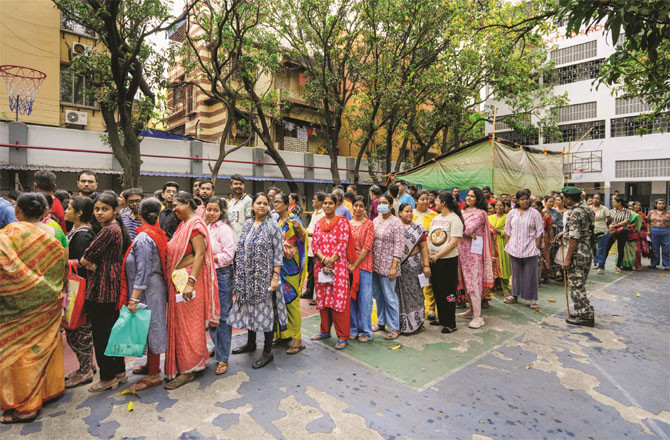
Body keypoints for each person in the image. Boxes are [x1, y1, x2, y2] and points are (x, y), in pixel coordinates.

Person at [0, 193, 67, 423]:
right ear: (44, 211)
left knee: (19, 353)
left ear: (17, 211)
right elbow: (63, 267)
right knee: (43, 347)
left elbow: (5, 268)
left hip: (16, 306)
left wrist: (24, 287)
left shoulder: (8, 235)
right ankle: (48, 391)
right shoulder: (56, 232)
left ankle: (26, 406)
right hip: (49, 302)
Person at [163, 191, 218, 387]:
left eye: (176, 204)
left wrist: (190, 282)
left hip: (189, 284)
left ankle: (190, 369)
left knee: (190, 326)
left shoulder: (195, 225)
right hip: (180, 281)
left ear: (187, 204)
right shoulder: (183, 225)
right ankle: (190, 361)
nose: (173, 209)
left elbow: (200, 254)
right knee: (181, 324)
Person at [79, 192, 131, 392]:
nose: (100, 213)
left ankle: (107, 377)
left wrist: (88, 263)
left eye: (105, 209)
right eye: (97, 209)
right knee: (113, 332)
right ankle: (119, 371)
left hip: (102, 288)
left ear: (115, 210)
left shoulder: (109, 230)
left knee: (101, 336)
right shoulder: (116, 228)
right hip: (112, 286)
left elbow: (86, 257)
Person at [229, 192, 285, 368]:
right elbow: (241, 248)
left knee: (266, 312)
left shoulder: (272, 226)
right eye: (258, 203)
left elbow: (278, 253)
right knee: (249, 309)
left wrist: (275, 278)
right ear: (252, 206)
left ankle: (267, 352)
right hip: (246, 277)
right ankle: (251, 343)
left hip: (264, 278)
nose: (261, 206)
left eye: (264, 203)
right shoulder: (247, 224)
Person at [121, 198, 170, 391]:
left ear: (140, 214)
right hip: (152, 286)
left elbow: (143, 270)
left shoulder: (143, 238)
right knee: (149, 325)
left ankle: (154, 374)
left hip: (148, 288)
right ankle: (151, 364)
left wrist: (133, 298)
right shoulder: (156, 233)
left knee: (153, 327)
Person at [63, 196, 97, 388]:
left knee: (79, 331)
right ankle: (87, 366)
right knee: (78, 330)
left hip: (79, 290)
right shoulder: (76, 230)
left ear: (79, 213)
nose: (66, 211)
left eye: (69, 208)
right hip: (76, 289)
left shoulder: (83, 235)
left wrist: (62, 263)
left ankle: (84, 371)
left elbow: (85, 265)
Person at [311, 193, 353, 348]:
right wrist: (323, 260)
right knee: (323, 299)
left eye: (330, 203)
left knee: (338, 301)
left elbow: (343, 243)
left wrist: (331, 261)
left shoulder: (342, 222)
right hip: (321, 267)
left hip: (338, 267)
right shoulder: (318, 223)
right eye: (325, 203)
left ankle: (342, 336)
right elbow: (315, 244)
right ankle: (324, 330)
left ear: (336, 205)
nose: (327, 206)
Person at [204, 197, 236, 375]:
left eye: (215, 210)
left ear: (221, 211)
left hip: (222, 275)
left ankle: (223, 358)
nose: (211, 213)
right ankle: (217, 347)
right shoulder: (207, 227)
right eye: (209, 209)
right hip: (209, 274)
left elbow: (228, 256)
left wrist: (208, 256)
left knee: (223, 316)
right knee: (212, 315)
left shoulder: (224, 230)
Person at [273, 193, 308, 355]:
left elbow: (302, 239)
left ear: (287, 204)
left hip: (290, 267)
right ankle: (283, 334)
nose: (275, 204)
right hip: (276, 266)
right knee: (278, 301)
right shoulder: (275, 221)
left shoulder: (294, 221)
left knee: (292, 301)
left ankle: (297, 338)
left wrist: (300, 231)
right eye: (274, 202)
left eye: (279, 202)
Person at [457, 188, 494, 328]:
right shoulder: (463, 212)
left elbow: (467, 230)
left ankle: (478, 317)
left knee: (473, 283)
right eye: (468, 195)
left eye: (472, 196)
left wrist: (456, 225)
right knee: (466, 282)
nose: (469, 198)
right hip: (461, 252)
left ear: (478, 199)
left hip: (473, 254)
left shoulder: (480, 214)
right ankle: (471, 310)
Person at [428, 191, 464, 334]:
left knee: (448, 292)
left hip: (447, 261)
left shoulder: (455, 219)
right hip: (434, 259)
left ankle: (450, 322)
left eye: (436, 200)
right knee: (437, 289)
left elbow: (453, 242)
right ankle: (442, 318)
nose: (434, 202)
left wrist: (438, 255)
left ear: (443, 203)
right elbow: (430, 237)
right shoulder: (435, 218)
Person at [560, 186, 595, 327]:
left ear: (568, 199)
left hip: (577, 253)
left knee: (576, 285)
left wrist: (567, 259)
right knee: (580, 283)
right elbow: (585, 229)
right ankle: (581, 311)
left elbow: (574, 238)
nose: (563, 200)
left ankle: (586, 315)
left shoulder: (574, 213)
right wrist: (564, 233)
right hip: (587, 251)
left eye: (563, 197)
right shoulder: (587, 209)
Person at [503, 189, 544, 310]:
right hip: (514, 248)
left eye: (526, 199)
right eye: (522, 199)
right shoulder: (512, 213)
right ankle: (514, 295)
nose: (524, 201)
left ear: (529, 200)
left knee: (530, 274)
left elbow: (539, 231)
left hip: (530, 248)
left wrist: (536, 247)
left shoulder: (535, 213)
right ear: (518, 200)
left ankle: (533, 299)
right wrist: (509, 244)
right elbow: (507, 230)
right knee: (516, 274)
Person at [371, 194, 404, 340]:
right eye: (380, 203)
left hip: (389, 264)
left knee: (390, 296)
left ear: (391, 206)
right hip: (375, 264)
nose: (382, 205)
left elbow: (399, 245)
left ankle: (394, 327)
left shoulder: (396, 223)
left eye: (385, 203)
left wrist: (394, 266)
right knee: (378, 295)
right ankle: (381, 321)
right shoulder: (375, 220)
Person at [396, 203, 430, 334]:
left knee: (415, 294)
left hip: (414, 266)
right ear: (400, 213)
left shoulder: (418, 229)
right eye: (406, 211)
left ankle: (418, 323)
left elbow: (424, 247)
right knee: (399, 295)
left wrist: (426, 265)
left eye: (411, 211)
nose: (409, 213)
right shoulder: (395, 226)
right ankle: (401, 324)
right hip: (399, 267)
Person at [348, 196, 374, 341]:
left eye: (361, 206)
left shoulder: (369, 224)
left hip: (363, 266)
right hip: (349, 267)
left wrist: (355, 264)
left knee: (364, 299)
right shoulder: (347, 223)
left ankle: (365, 331)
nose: (357, 209)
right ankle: (352, 328)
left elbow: (367, 248)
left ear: (365, 208)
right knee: (351, 299)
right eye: (355, 206)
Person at [413, 190, 438, 320]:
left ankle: (431, 309)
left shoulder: (434, 216)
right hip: (411, 254)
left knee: (428, 281)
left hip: (428, 252)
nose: (425, 202)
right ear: (416, 201)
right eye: (422, 199)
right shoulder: (410, 214)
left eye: (427, 199)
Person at [304, 192, 326, 301]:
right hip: (310, 246)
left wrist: (308, 233)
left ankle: (318, 296)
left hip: (318, 248)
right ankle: (309, 291)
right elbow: (311, 227)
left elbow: (320, 232)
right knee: (310, 271)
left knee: (318, 272)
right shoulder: (315, 213)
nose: (313, 201)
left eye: (314, 199)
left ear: (320, 202)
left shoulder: (323, 214)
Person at [489, 200, 511, 294]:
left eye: (501, 205)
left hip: (503, 242)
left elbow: (510, 231)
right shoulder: (489, 217)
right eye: (497, 205)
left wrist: (499, 231)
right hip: (491, 243)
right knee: (492, 264)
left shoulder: (508, 217)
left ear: (504, 207)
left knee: (503, 264)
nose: (499, 207)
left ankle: (505, 287)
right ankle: (490, 286)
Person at [606, 195, 632, 274]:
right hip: (612, 232)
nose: (613, 203)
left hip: (622, 232)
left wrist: (615, 225)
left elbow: (626, 221)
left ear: (619, 203)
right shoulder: (612, 211)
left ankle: (618, 265)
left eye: (614, 202)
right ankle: (601, 264)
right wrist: (609, 225)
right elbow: (608, 219)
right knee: (607, 247)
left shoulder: (627, 211)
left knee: (620, 248)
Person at [227, 174, 253, 240]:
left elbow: (249, 222)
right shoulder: (230, 203)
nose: (238, 186)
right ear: (231, 186)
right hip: (230, 240)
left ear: (243, 186)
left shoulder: (248, 201)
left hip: (242, 241)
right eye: (236, 184)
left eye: (240, 184)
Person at [591, 194, 611, 274]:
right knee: (594, 248)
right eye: (594, 198)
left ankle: (601, 266)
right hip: (591, 231)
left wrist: (605, 225)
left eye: (598, 198)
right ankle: (596, 262)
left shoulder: (604, 209)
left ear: (601, 200)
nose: (596, 200)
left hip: (603, 231)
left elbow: (609, 219)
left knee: (601, 249)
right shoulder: (589, 208)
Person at [534, 200, 554, 283]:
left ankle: (546, 275)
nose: (533, 208)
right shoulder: (532, 215)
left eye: (534, 206)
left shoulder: (546, 216)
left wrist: (551, 239)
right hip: (534, 237)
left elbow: (550, 229)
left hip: (544, 238)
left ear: (539, 207)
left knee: (545, 256)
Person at [648, 199, 670, 270]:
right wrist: (648, 231)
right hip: (654, 231)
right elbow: (647, 222)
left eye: (663, 203)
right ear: (656, 205)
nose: (661, 205)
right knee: (654, 248)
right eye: (659, 203)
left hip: (666, 231)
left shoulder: (668, 212)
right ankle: (654, 263)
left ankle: (667, 264)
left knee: (667, 248)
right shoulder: (651, 212)